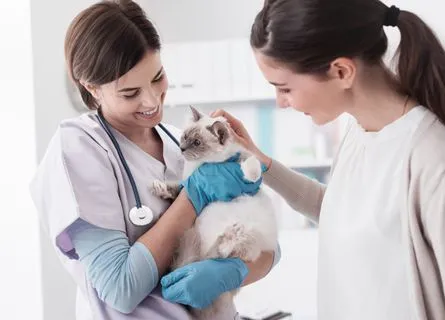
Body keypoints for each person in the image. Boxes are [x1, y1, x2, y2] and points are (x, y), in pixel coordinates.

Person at [29, 1, 280, 319]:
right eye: (130, 92)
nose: (151, 100)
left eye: (157, 77)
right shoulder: (79, 148)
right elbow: (120, 289)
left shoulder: (181, 142)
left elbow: (270, 249)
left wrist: (233, 271)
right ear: (92, 88)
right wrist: (193, 195)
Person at [211, 0, 445, 319]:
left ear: (341, 71)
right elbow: (337, 209)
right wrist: (256, 160)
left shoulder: (431, 156)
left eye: (285, 88)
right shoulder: (358, 129)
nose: (282, 103)